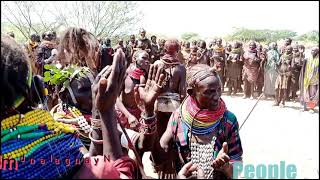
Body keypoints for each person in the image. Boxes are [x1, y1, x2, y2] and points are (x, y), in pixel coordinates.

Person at [1, 34, 176, 179]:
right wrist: (104, 114)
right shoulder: (59, 132)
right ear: (64, 95)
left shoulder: (59, 133)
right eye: (85, 89)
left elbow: (142, 145)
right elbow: (101, 171)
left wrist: (148, 110)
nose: (93, 93)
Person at [160, 64, 243, 179]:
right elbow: (160, 155)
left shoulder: (228, 121)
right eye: (209, 92)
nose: (216, 97)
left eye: (219, 89)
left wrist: (226, 167)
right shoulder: (178, 117)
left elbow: (237, 169)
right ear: (191, 92)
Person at [152, 39, 187, 178]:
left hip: (157, 104)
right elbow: (182, 91)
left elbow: (152, 85)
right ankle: (171, 164)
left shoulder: (156, 64)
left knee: (159, 134)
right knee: (172, 134)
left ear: (164, 49)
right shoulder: (181, 68)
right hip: (174, 106)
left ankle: (157, 164)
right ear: (177, 50)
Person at [115, 50, 150, 131]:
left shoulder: (146, 76)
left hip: (140, 116)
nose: (147, 61)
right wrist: (129, 116)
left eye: (148, 59)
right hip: (125, 114)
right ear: (134, 59)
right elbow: (115, 97)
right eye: (144, 58)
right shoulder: (125, 74)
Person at [299, 46, 319, 113]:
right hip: (306, 79)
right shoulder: (307, 59)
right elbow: (300, 64)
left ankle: (311, 108)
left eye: (314, 51)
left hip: (315, 80)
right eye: (312, 50)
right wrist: (301, 54)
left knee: (313, 95)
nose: (312, 52)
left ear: (317, 52)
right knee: (305, 93)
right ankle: (304, 107)